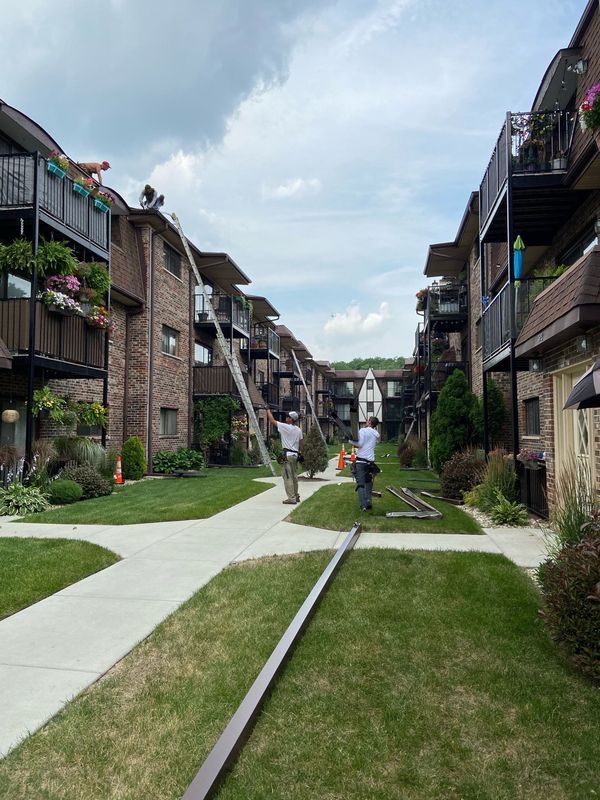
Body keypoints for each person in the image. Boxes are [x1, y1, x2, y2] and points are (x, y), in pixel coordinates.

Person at [265, 408, 304, 504]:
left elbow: (272, 421)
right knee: (294, 477)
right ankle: (296, 495)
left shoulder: (285, 427)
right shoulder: (299, 430)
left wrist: (268, 411)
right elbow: (301, 443)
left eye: (288, 416)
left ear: (291, 419)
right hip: (295, 455)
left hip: (287, 456)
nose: (286, 417)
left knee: (287, 477)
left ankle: (291, 498)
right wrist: (301, 453)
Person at [350, 416, 380, 511]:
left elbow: (360, 445)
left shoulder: (363, 431)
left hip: (361, 461)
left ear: (370, 422)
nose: (366, 422)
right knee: (368, 482)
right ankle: (368, 502)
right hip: (370, 462)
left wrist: (350, 441)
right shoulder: (376, 434)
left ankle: (363, 506)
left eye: (367, 421)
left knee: (361, 484)